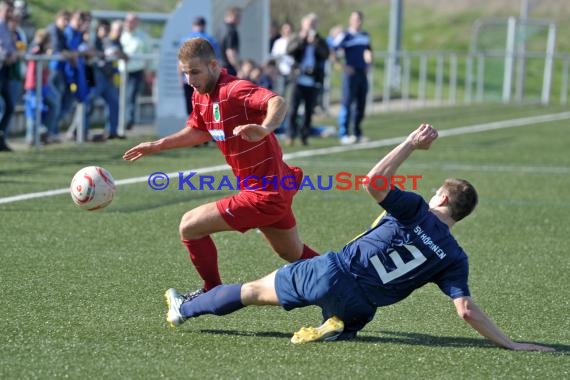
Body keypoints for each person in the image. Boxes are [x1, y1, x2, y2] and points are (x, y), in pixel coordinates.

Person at [162, 123, 555, 352]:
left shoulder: (416, 208)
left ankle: (183, 310)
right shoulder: (454, 257)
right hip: (363, 307)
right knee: (348, 313)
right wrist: (512, 344)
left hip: (331, 271)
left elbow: (373, 181)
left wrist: (410, 144)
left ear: (443, 197)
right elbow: (466, 310)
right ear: (462, 215)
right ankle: (338, 324)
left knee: (250, 292)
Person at [123, 37, 319, 300]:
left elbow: (277, 102)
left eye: (195, 72)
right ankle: (347, 280)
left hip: (264, 194)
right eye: (185, 73)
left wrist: (265, 128)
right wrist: (157, 145)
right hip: (272, 188)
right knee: (293, 254)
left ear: (213, 65)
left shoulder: (233, 90)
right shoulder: (200, 95)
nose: (190, 79)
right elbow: (199, 130)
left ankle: (211, 290)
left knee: (189, 226)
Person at [285, 13, 329, 146]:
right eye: (310, 23)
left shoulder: (319, 39)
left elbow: (325, 54)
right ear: (303, 24)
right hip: (298, 78)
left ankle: (304, 135)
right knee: (293, 109)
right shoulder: (297, 37)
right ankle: (290, 135)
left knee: (309, 110)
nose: (312, 26)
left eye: (314, 24)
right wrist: (302, 40)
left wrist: (315, 43)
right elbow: (290, 51)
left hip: (312, 79)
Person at [332, 11, 373, 145]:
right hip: (351, 74)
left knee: (361, 103)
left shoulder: (364, 35)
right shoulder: (345, 35)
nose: (358, 21)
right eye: (355, 19)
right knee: (347, 102)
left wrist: (368, 63)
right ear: (350, 20)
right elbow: (332, 51)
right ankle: (344, 133)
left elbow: (368, 50)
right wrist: (343, 66)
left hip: (362, 73)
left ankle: (357, 133)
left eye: (360, 19)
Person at [179, 16, 220, 116]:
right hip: (205, 78)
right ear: (204, 26)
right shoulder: (210, 39)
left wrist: (181, 78)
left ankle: (193, 125)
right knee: (206, 105)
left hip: (188, 79)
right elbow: (216, 59)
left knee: (191, 108)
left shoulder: (185, 39)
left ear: (193, 25)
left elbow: (180, 62)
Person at [120, 12, 152, 131]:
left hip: (136, 71)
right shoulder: (120, 34)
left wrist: (149, 72)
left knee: (130, 96)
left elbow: (149, 53)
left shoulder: (143, 37)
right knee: (119, 96)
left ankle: (128, 121)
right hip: (120, 71)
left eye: (132, 21)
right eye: (128, 20)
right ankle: (119, 121)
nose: (129, 23)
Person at [0, 0, 20, 151]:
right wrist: (7, 55)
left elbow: (12, 48)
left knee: (10, 105)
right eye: (8, 10)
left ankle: (1, 138)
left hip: (5, 71)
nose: (10, 14)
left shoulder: (7, 28)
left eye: (11, 11)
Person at [217, 6, 241, 76]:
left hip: (219, 67)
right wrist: (238, 69)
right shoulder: (231, 31)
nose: (240, 19)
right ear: (233, 16)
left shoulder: (220, 29)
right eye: (239, 16)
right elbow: (230, 52)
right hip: (228, 68)